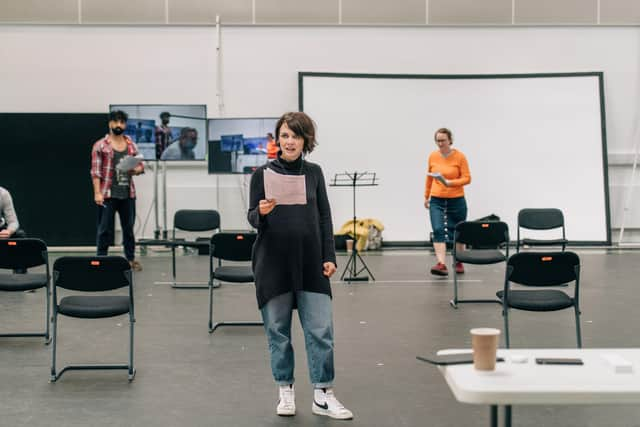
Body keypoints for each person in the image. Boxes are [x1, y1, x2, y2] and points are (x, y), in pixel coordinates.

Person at [248, 112, 353, 420]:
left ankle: (323, 394)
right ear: (277, 140)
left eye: (295, 135)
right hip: (273, 263)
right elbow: (252, 218)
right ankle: (285, 390)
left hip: (310, 263)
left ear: (305, 140)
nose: (289, 141)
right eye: (284, 135)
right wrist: (262, 212)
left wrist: (330, 256)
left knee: (321, 330)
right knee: (278, 331)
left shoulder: (314, 173)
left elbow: (323, 217)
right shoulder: (261, 175)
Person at [91, 110, 144, 271]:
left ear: (125, 125)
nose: (118, 125)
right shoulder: (100, 145)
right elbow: (95, 172)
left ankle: (130, 259)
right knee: (104, 229)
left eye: (121, 122)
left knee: (128, 228)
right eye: (115, 122)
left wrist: (136, 170)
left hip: (128, 193)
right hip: (107, 193)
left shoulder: (131, 145)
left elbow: (141, 165)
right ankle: (101, 259)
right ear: (110, 123)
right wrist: (97, 192)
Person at [424, 127, 471, 276]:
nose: (440, 143)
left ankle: (458, 261)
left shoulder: (460, 157)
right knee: (438, 229)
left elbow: (467, 178)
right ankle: (441, 264)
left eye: (443, 140)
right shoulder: (432, 156)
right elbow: (429, 177)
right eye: (438, 140)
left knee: (457, 231)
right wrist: (426, 196)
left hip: (456, 199)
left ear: (450, 140)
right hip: (437, 199)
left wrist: (450, 183)